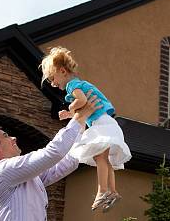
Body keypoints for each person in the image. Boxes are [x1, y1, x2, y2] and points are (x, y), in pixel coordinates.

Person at [41, 46, 131, 212]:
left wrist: (70, 110)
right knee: (105, 160)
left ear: (62, 71)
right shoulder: (81, 84)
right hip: (108, 123)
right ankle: (112, 191)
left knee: (99, 158)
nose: (53, 84)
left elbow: (81, 101)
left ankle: (102, 190)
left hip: (102, 125)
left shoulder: (72, 85)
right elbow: (85, 105)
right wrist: (71, 114)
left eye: (53, 78)